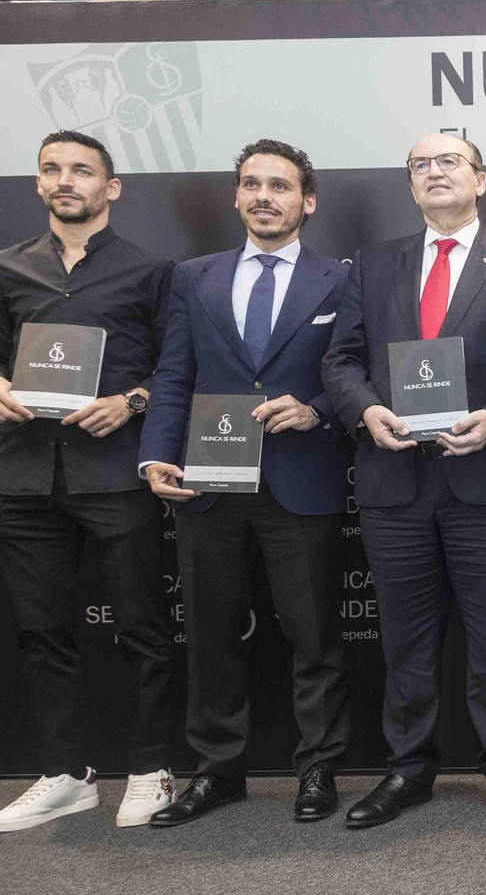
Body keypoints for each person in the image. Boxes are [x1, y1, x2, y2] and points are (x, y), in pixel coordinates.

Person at [321, 133, 486, 826]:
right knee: (405, 640)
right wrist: (366, 410)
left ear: (480, 179)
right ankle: (408, 769)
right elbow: (339, 362)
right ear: (411, 186)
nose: (434, 172)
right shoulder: (370, 265)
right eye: (420, 165)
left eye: (448, 161)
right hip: (394, 482)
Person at [138, 140, 353, 825]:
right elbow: (174, 374)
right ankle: (218, 771)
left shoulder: (340, 280)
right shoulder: (193, 276)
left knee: (315, 637)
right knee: (209, 633)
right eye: (252, 184)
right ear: (237, 197)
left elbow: (352, 369)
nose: (265, 196)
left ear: (306, 201)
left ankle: (318, 769)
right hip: (208, 480)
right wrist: (154, 456)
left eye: (280, 186)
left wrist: (316, 408)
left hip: (302, 479)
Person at [0, 130, 177, 831]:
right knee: (42, 629)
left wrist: (131, 402)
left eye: (81, 170)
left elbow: (179, 370)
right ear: (38, 183)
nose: (64, 180)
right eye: (52, 170)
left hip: (114, 474)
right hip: (23, 475)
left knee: (141, 625)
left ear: (113, 187)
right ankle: (66, 773)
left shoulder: (151, 271)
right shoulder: (8, 268)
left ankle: (152, 767)